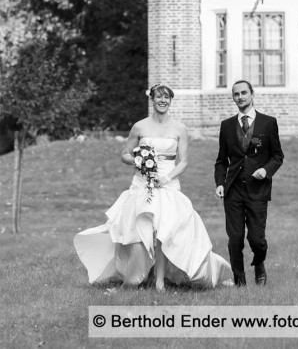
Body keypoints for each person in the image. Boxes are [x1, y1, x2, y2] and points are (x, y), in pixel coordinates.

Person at [74, 85, 233, 289]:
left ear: (170, 101)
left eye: (166, 97)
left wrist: (166, 178)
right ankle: (140, 276)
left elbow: (183, 162)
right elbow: (125, 154)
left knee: (165, 231)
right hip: (142, 184)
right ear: (152, 99)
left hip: (168, 184)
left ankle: (159, 281)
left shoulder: (179, 129)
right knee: (141, 231)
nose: (162, 100)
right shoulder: (139, 127)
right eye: (159, 97)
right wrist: (138, 161)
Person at [214, 80, 284, 286]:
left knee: (257, 240)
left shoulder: (268, 123)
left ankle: (259, 264)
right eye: (236, 94)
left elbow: (278, 156)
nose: (240, 97)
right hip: (233, 190)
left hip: (257, 190)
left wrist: (266, 170)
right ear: (233, 98)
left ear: (252, 94)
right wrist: (220, 183)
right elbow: (221, 161)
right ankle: (239, 280)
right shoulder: (227, 126)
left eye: (244, 93)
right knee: (235, 239)